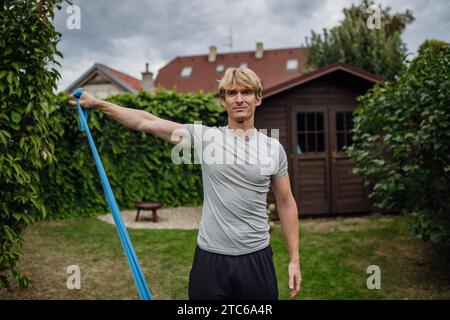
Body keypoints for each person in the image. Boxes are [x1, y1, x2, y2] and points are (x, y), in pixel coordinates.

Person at [69, 67, 301, 300]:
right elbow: (147, 122)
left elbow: (286, 202)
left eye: (246, 92)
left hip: (256, 258)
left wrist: (294, 259)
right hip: (210, 260)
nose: (239, 99)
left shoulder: (273, 149)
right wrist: (98, 103)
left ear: (258, 98)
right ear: (223, 101)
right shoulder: (207, 138)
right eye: (231, 93)